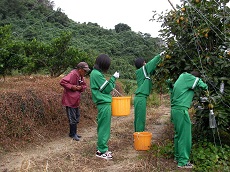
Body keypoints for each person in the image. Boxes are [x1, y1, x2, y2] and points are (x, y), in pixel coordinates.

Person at [170, 71, 208, 168]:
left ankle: (177, 157)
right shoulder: (188, 77)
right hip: (181, 110)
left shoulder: (181, 78)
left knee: (178, 134)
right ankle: (183, 162)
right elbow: (200, 83)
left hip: (176, 109)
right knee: (185, 136)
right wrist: (206, 87)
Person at [90, 54, 119, 160]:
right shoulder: (96, 74)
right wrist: (113, 78)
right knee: (104, 127)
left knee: (103, 126)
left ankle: (101, 149)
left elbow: (104, 87)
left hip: (102, 104)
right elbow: (107, 88)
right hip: (103, 104)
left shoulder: (95, 73)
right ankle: (101, 151)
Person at [134, 52, 165, 132]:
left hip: (140, 98)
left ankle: (138, 135)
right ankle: (139, 137)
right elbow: (151, 64)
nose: (146, 63)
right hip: (140, 98)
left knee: (139, 118)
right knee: (140, 119)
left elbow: (153, 68)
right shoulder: (141, 71)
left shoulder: (143, 73)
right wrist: (159, 55)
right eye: (144, 62)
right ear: (142, 64)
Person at [60, 62, 90, 141]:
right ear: (80, 69)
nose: (85, 72)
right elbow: (62, 81)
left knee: (76, 117)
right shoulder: (73, 74)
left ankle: (73, 133)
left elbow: (84, 85)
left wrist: (80, 88)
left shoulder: (80, 76)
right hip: (70, 100)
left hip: (75, 100)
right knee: (72, 118)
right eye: (84, 70)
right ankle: (73, 134)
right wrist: (72, 87)